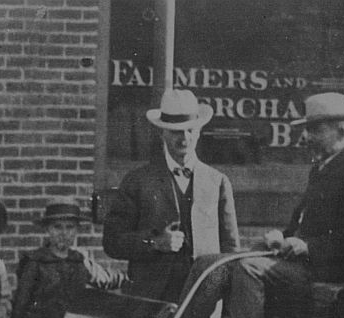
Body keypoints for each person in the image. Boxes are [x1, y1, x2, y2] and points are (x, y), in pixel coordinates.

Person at [223, 92, 344, 318]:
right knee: (229, 260)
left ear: (342, 131)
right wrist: (283, 238)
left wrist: (308, 247)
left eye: (315, 129)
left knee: (249, 270)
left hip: (333, 273)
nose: (306, 136)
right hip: (306, 266)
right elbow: (305, 224)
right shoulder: (322, 169)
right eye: (307, 129)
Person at [102, 88, 240, 303]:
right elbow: (112, 242)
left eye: (190, 130)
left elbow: (230, 251)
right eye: (176, 131)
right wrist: (155, 243)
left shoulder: (217, 182)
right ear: (161, 133)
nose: (184, 138)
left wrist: (228, 306)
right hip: (150, 301)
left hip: (203, 300)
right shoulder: (137, 181)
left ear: (199, 131)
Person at [10, 202, 126, 318]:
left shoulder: (79, 260)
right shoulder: (35, 262)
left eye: (70, 227)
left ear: (77, 230)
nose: (64, 233)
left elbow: (105, 280)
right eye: (57, 227)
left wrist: (130, 278)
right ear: (48, 230)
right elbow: (20, 303)